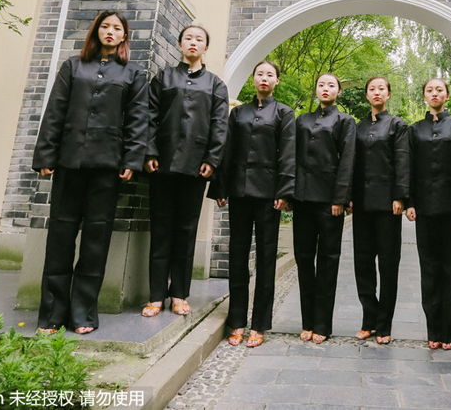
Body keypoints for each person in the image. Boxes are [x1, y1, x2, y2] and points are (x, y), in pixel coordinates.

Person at [32, 10, 149, 335]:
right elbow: (55, 110)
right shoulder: (73, 66)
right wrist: (46, 154)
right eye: (105, 26)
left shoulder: (133, 73)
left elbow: (138, 121)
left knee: (96, 240)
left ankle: (83, 313)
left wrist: (131, 160)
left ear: (125, 36)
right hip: (69, 162)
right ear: (96, 31)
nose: (110, 32)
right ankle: (52, 314)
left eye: (117, 28)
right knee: (60, 237)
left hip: (107, 167)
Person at [141, 25, 229, 318]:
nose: (193, 42)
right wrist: (150, 151)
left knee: (186, 231)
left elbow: (220, 125)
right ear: (180, 44)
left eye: (199, 39)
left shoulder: (216, 85)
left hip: (196, 168)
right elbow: (150, 116)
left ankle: (179, 293)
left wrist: (212, 160)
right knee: (161, 229)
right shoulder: (164, 78)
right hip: (162, 164)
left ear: (206, 48)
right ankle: (155, 295)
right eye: (189, 38)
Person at [209, 61, 295, 349]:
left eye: (270, 75)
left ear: (277, 81)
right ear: (254, 79)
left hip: (269, 195)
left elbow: (288, 155)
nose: (264, 78)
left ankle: (259, 324)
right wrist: (220, 186)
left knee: (267, 258)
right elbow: (227, 149)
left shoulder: (284, 113)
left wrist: (285, 191)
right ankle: (236, 322)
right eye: (260, 74)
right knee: (237, 256)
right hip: (239, 193)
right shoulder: (239, 113)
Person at [406, 78, 451, 351]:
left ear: (447, 95)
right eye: (429, 90)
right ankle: (433, 331)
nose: (434, 94)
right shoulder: (414, 130)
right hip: (424, 209)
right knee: (430, 269)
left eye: (439, 90)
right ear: (424, 96)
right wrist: (409, 201)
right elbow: (408, 167)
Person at [293, 73, 357, 344]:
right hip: (302, 199)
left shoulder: (345, 121)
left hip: (330, 201)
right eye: (321, 84)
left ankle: (322, 325)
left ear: (338, 91)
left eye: (331, 85)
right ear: (316, 89)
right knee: (304, 260)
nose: (326, 88)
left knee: (328, 261)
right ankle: (307, 321)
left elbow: (348, 161)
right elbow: (291, 157)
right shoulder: (302, 120)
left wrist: (340, 199)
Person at [351, 76, 410, 345]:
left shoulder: (397, 125)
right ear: (366, 95)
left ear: (388, 94)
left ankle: (384, 324)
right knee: (362, 264)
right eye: (372, 89)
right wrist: (349, 196)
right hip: (362, 205)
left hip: (388, 206)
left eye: (381, 89)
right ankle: (368, 318)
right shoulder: (358, 127)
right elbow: (351, 165)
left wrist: (400, 196)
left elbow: (402, 162)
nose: (377, 93)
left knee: (388, 265)